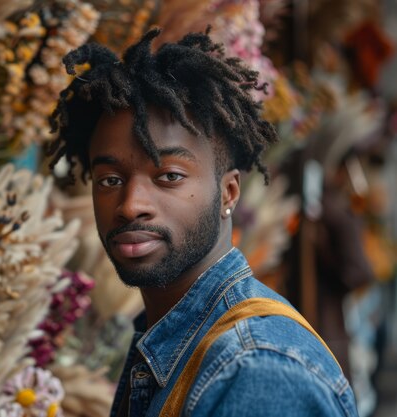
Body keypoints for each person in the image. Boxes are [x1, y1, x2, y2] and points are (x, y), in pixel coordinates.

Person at [47, 28, 359, 417]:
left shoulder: (256, 373)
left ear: (228, 192)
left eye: (169, 176)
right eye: (110, 180)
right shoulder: (170, 338)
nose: (130, 206)